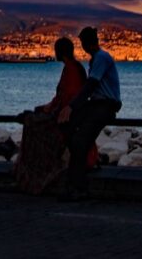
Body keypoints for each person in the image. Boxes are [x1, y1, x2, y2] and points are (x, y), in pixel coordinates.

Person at [12, 37, 97, 195]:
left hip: (67, 117)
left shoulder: (72, 69)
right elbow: (61, 98)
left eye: (56, 49)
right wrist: (44, 108)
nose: (54, 52)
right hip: (64, 112)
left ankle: (34, 174)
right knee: (31, 117)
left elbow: (67, 99)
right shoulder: (73, 67)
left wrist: (48, 110)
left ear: (61, 52)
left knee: (31, 123)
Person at [57, 26, 122, 201]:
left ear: (86, 43)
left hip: (105, 105)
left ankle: (78, 186)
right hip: (95, 104)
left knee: (80, 140)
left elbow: (90, 85)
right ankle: (75, 177)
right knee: (67, 127)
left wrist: (71, 106)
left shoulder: (101, 58)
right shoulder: (96, 59)